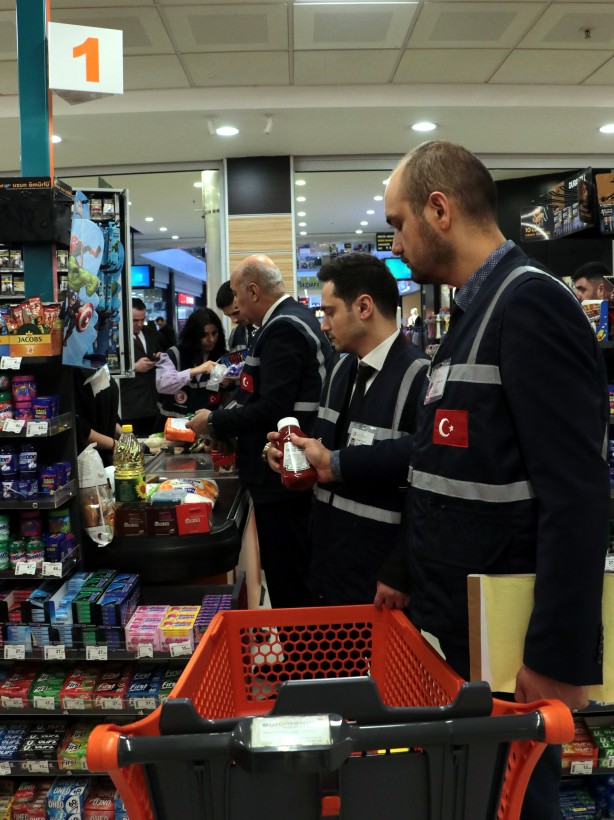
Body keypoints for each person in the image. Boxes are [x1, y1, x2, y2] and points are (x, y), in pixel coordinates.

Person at [383, 140, 609, 820]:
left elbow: (578, 493)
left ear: (439, 209)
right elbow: (445, 464)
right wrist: (405, 569)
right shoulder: (468, 314)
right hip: (465, 637)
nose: (396, 241)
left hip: (516, 654)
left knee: (517, 803)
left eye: (398, 223)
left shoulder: (531, 305)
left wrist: (557, 656)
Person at [265, 252, 429, 605]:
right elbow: (324, 450)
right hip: (328, 559)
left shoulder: (421, 377)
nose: (323, 324)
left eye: (329, 312)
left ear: (364, 307)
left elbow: (428, 479)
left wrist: (399, 569)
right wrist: (290, 452)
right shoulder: (340, 371)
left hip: (380, 571)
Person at [186, 254, 334, 608]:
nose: (235, 305)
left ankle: (301, 658)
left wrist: (214, 422)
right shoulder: (286, 321)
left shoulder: (282, 327)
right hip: (283, 471)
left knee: (289, 578)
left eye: (237, 295)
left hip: (284, 477)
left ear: (253, 291)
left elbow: (273, 408)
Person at [156, 307, 228, 421]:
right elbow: (162, 384)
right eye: (205, 335)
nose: (211, 339)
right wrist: (197, 370)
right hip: (172, 425)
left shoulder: (223, 357)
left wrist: (227, 383)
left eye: (214, 333)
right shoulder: (173, 354)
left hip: (205, 428)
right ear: (194, 335)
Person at [119, 298, 161, 436]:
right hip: (129, 404)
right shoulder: (117, 336)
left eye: (142, 320)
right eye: (135, 320)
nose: (139, 324)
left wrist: (159, 357)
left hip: (152, 401)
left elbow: (161, 350)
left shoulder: (151, 333)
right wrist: (134, 367)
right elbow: (109, 367)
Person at [73, 365, 122, 467]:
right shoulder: (73, 375)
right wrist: (114, 444)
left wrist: (123, 434)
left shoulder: (96, 364)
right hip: (88, 462)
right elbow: (80, 429)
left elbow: (105, 412)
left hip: (107, 460)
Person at [215, 280, 255, 352]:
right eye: (229, 316)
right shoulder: (235, 335)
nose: (234, 320)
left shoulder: (271, 327)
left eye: (236, 313)